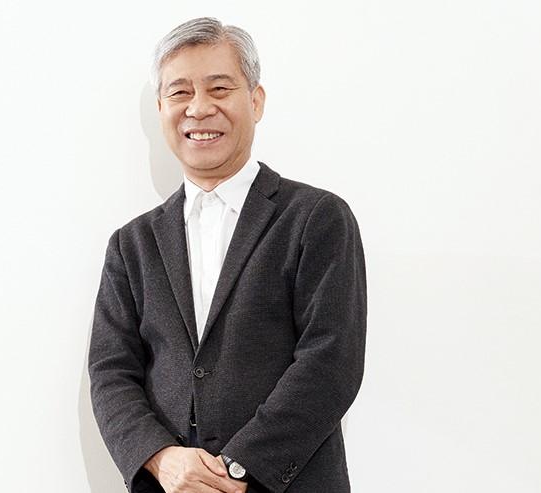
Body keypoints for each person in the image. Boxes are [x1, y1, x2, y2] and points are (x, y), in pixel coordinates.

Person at [89, 17, 367, 493]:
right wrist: (161, 459)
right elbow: (111, 372)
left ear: (255, 101)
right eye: (180, 92)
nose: (199, 108)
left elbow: (330, 363)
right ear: (161, 108)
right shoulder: (131, 244)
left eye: (219, 88)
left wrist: (235, 470)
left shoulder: (317, 218)